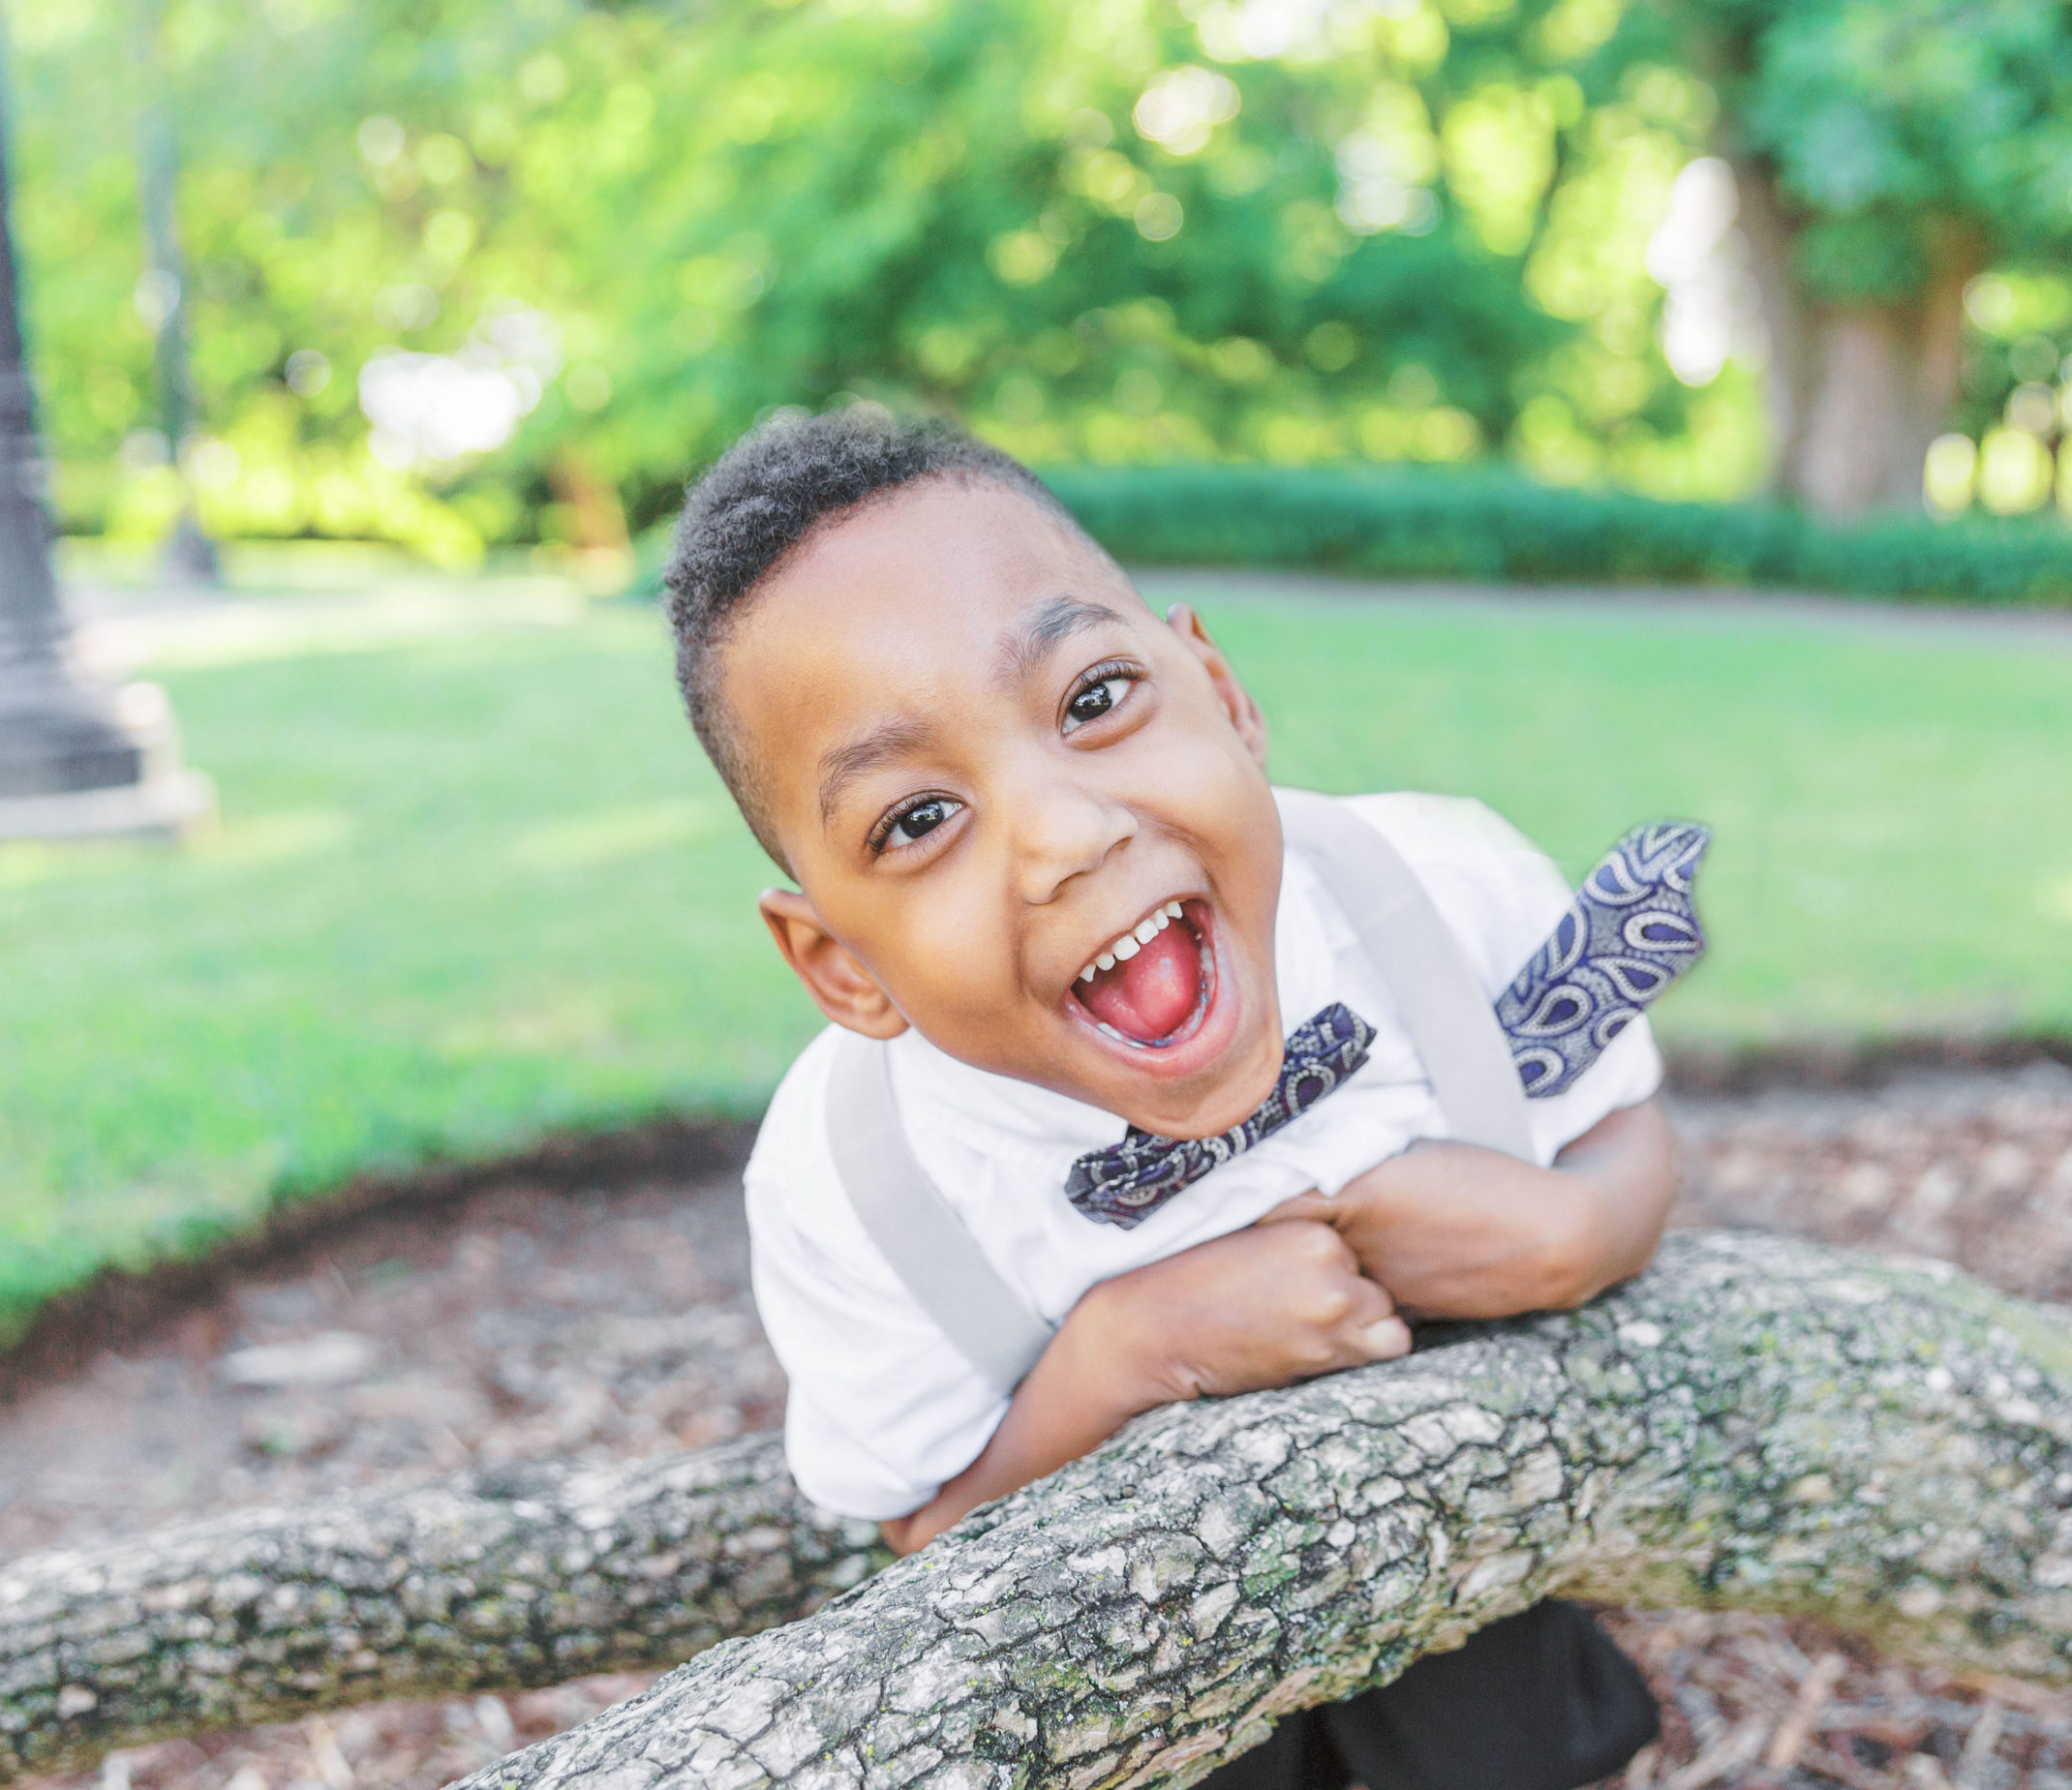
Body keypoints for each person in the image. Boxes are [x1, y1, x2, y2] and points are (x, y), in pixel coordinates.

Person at [660, 407, 1703, 1790]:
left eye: (1093, 699)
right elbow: (929, 1522)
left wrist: (1584, 1234)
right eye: (918, 818)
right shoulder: (858, 1182)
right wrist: (1130, 1352)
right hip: (1160, 1696)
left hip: (1479, 1630)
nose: (1065, 832)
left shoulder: (1433, 892)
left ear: (1221, 690)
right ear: (840, 963)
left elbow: (1628, 1125)